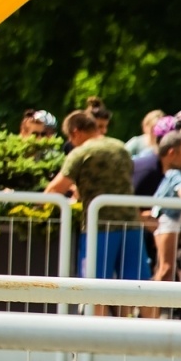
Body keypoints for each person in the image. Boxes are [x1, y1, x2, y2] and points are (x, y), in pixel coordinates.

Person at [46, 109, 149, 286]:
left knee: (95, 287)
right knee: (139, 287)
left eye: (70, 138)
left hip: (99, 227)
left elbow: (54, 190)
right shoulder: (120, 147)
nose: (71, 142)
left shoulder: (80, 153)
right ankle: (144, 316)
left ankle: (96, 316)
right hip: (131, 224)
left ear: (75, 132)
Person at [150, 131, 181, 283]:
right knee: (165, 269)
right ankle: (150, 306)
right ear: (172, 153)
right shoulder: (175, 174)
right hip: (168, 219)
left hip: (179, 219)